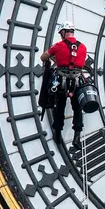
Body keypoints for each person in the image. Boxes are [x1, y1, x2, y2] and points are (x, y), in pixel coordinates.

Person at [40, 21, 88, 149]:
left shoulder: (58, 46)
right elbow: (81, 64)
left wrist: (56, 59)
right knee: (77, 109)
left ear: (63, 32)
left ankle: (57, 133)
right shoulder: (83, 47)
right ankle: (77, 136)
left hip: (62, 81)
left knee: (59, 106)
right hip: (77, 81)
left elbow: (43, 57)